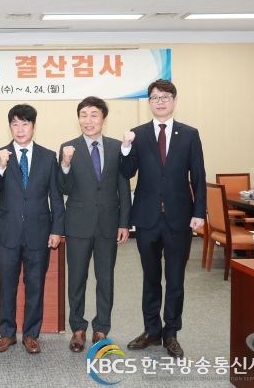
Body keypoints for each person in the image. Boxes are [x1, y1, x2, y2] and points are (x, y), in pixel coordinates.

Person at [120, 79, 206, 358]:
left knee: (175, 279)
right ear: (149, 102)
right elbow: (127, 172)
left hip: (179, 218)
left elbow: (199, 176)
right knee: (150, 278)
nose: (160, 101)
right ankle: (151, 330)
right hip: (147, 218)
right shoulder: (137, 134)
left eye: (165, 97)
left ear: (174, 101)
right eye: (155, 97)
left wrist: (199, 212)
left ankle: (171, 333)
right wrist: (125, 148)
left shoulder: (189, 134)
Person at [0, 104, 64, 355]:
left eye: (25, 124)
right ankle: (7, 333)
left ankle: (31, 334)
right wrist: (0, 166)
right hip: (7, 232)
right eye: (15, 124)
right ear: (10, 126)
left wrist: (56, 229)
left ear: (33, 126)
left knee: (35, 285)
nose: (20, 129)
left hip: (39, 232)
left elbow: (55, 197)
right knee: (6, 285)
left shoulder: (48, 157)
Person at [57, 97, 131, 353]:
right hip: (78, 224)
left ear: (103, 119)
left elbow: (123, 187)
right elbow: (64, 188)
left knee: (105, 278)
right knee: (76, 279)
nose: (88, 120)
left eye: (94, 115)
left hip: (108, 223)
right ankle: (77, 328)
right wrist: (65, 164)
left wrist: (124, 222)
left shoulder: (116, 147)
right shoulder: (68, 148)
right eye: (83, 115)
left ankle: (101, 328)